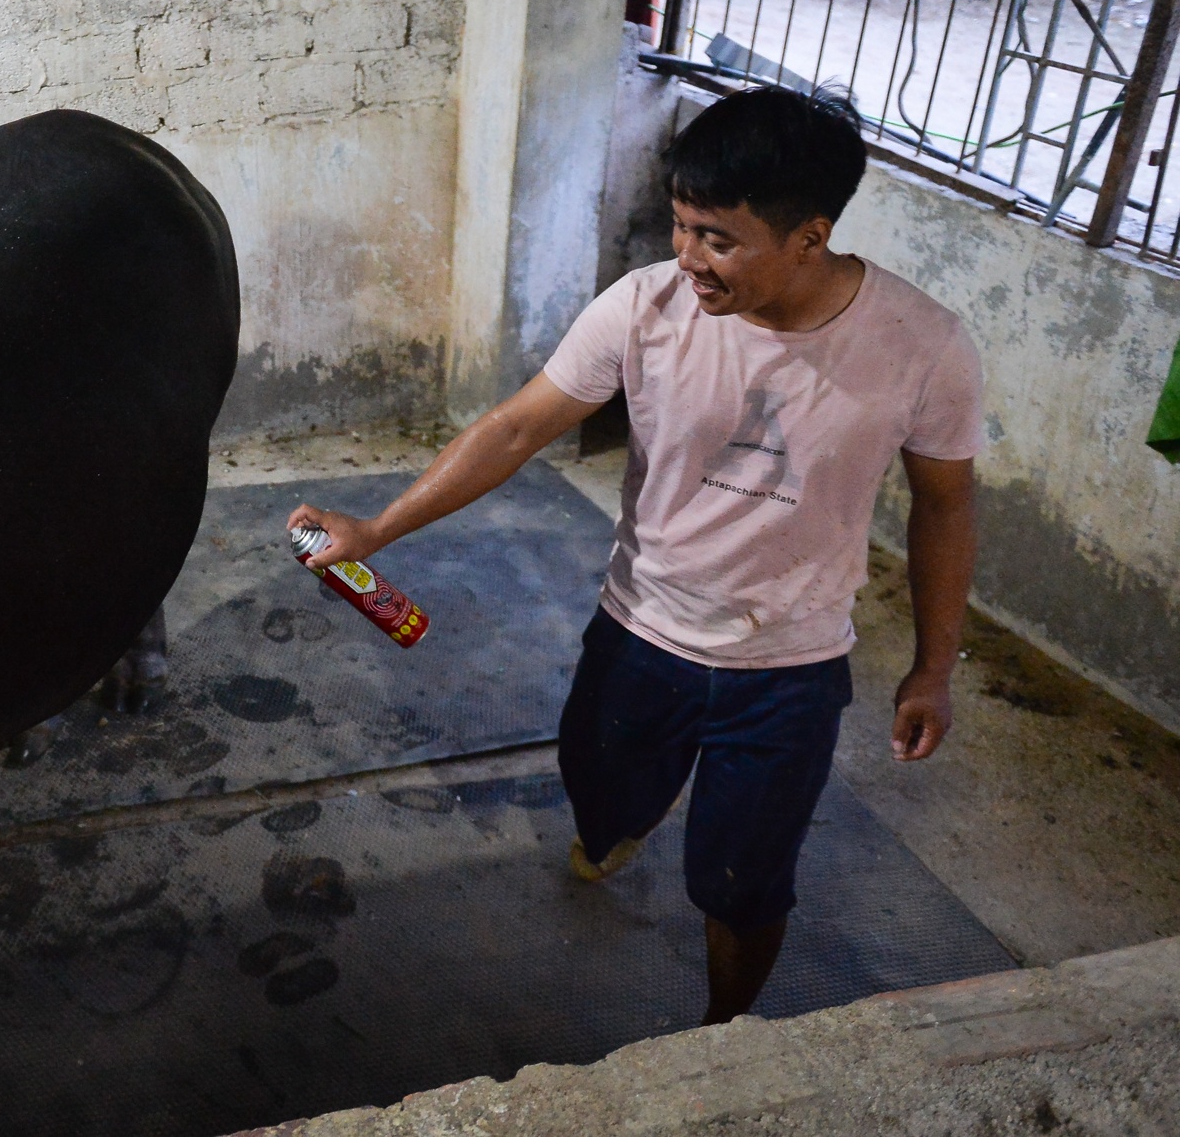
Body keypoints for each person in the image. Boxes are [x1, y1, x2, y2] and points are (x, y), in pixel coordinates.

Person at [288, 84, 982, 1025]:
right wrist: (377, 529)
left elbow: (946, 507)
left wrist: (934, 667)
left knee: (741, 885)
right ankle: (611, 826)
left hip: (787, 669)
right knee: (601, 794)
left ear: (810, 238)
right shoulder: (648, 306)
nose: (685, 257)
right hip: (639, 634)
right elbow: (516, 426)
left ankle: (722, 1035)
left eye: (716, 239)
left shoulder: (924, 344)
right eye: (681, 226)